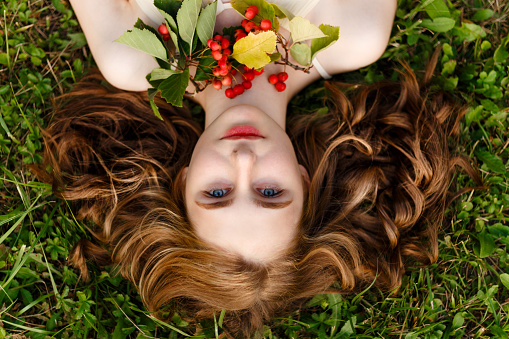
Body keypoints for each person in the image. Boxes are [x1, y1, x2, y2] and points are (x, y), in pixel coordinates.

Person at [38, 0, 479, 337]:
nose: (244, 161)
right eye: (270, 193)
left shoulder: (134, 58)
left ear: (185, 180)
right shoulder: (353, 31)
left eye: (216, 194)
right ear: (304, 181)